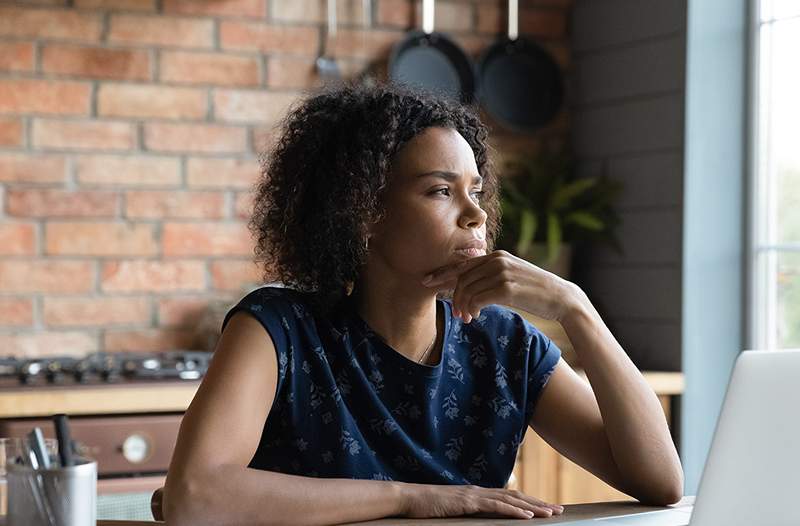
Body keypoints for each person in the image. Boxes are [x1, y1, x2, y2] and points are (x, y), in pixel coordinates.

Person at [163, 82, 683, 526]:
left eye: (476, 190)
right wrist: (417, 496)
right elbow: (195, 496)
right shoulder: (277, 331)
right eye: (441, 191)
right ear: (365, 213)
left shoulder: (504, 343)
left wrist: (576, 308)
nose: (476, 213)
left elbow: (660, 482)